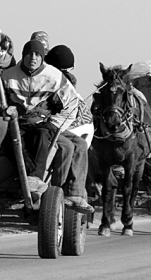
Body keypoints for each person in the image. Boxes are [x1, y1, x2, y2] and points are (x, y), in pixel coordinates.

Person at [1, 40, 92, 211]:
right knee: (10, 139)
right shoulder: (8, 75)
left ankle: (59, 190)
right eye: (29, 54)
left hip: (43, 124)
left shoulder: (55, 77)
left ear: (43, 57)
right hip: (14, 123)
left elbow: (72, 104)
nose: (33, 58)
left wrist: (54, 125)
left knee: (50, 138)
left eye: (37, 55)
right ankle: (28, 177)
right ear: (23, 55)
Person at [44, 44, 94, 213]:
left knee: (79, 144)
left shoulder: (65, 82)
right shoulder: (45, 78)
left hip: (58, 125)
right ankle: (56, 192)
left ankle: (74, 193)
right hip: (44, 125)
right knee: (67, 146)